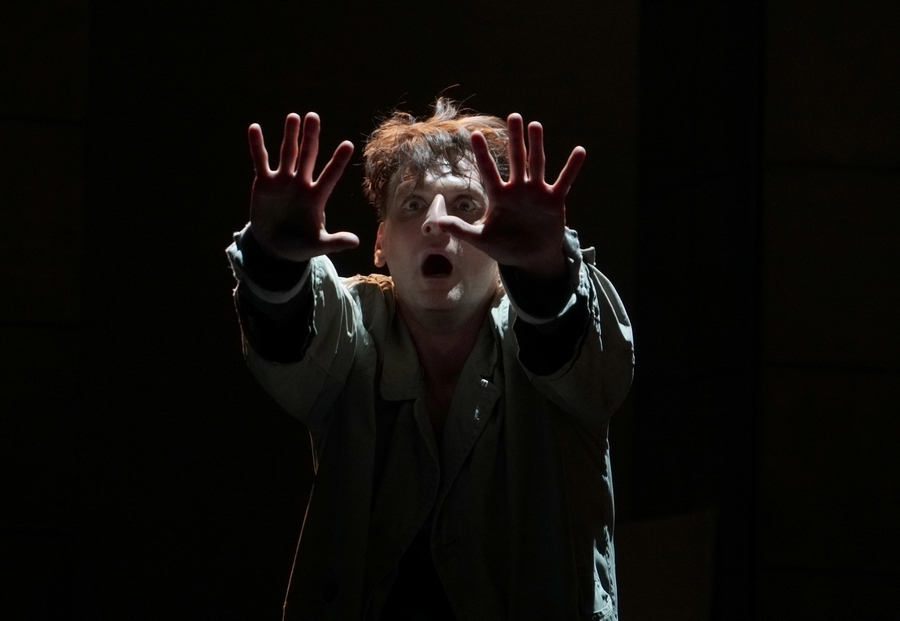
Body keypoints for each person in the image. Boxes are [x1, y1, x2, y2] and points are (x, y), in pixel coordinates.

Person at [226, 98, 634, 621]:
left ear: (503, 232)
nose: (436, 222)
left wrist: (544, 273)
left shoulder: (541, 326)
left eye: (465, 204)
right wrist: (277, 262)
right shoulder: (357, 323)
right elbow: (300, 341)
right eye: (413, 204)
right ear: (380, 242)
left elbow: (590, 363)